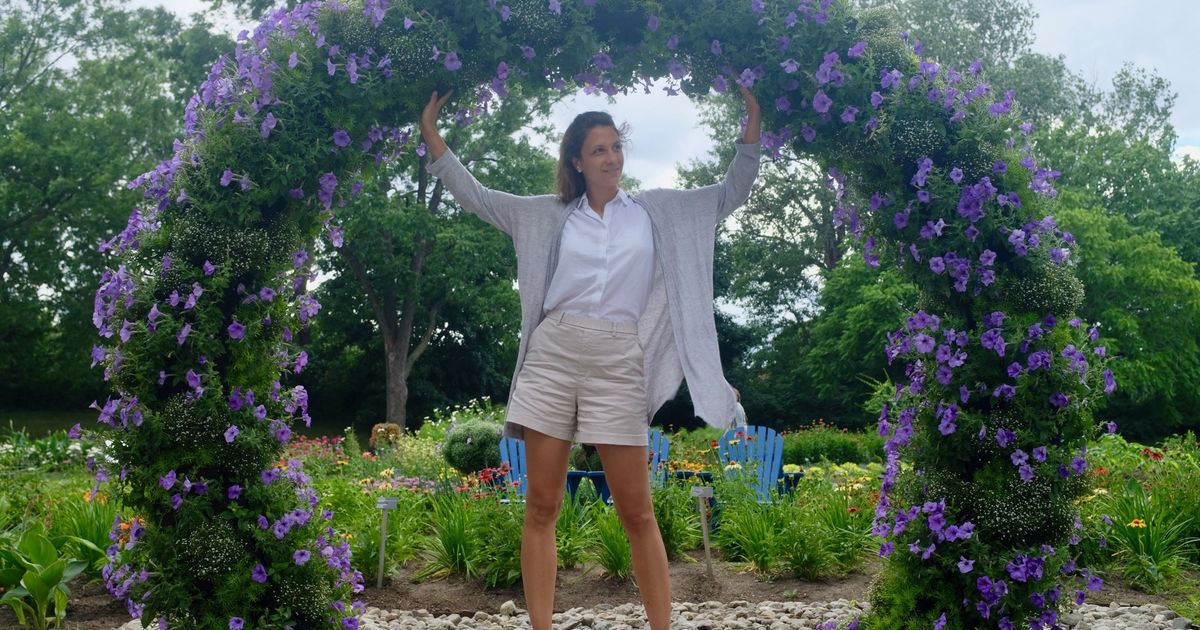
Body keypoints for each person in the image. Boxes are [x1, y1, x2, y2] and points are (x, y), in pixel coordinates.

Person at [419, 85, 760, 630]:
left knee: (638, 512)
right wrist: (432, 136)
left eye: (616, 147)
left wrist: (752, 122)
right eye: (599, 150)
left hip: (619, 358)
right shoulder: (548, 215)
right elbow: (478, 196)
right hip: (552, 356)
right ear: (577, 161)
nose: (611, 158)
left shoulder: (656, 212)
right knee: (542, 507)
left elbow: (731, 192)